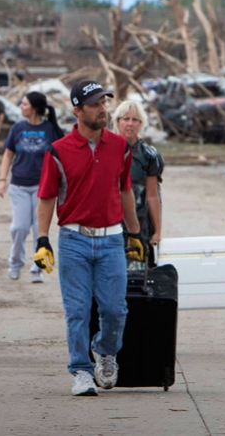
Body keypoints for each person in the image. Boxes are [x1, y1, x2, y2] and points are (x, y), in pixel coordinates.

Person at [34, 80, 145, 396]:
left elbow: (124, 189)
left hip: (112, 240)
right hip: (73, 240)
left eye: (104, 103)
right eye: (95, 104)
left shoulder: (120, 147)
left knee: (114, 309)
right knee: (78, 309)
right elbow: (46, 197)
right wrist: (43, 240)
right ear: (77, 110)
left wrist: (134, 233)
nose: (102, 109)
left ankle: (106, 352)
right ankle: (80, 371)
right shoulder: (57, 151)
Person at [0, 92, 64, 283]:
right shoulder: (18, 127)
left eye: (24, 104)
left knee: (39, 229)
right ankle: (15, 263)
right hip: (19, 185)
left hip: (42, 188)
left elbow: (61, 156)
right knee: (19, 227)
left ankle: (37, 267)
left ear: (33, 107)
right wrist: (2, 180)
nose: (21, 106)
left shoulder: (50, 129)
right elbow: (8, 155)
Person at [112, 100, 164, 265]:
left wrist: (157, 231)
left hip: (140, 224)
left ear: (141, 124)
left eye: (135, 120)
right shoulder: (105, 150)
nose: (130, 124)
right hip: (110, 224)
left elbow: (153, 195)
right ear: (117, 121)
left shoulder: (149, 155)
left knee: (137, 277)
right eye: (125, 119)